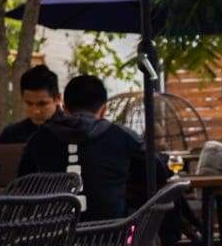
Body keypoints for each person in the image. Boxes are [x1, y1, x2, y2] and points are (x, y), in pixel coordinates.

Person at [18, 74, 149, 221]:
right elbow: (157, 173)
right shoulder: (122, 136)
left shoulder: (39, 140)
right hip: (114, 235)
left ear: (65, 109)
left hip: (56, 239)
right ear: (104, 109)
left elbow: (23, 184)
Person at [0, 64, 62, 144]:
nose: (35, 111)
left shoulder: (74, 132)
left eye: (42, 104)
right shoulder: (10, 136)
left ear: (58, 98)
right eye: (29, 104)